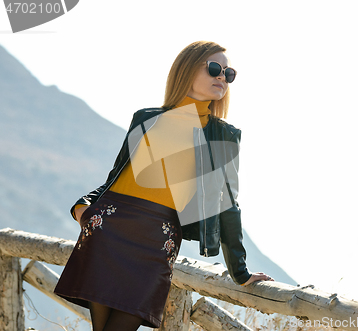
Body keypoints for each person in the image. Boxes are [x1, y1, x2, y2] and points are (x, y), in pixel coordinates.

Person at [54, 41, 274, 331]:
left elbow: (228, 203)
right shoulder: (145, 119)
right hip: (108, 229)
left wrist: (240, 272)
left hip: (158, 240)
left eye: (228, 73)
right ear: (186, 70)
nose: (222, 77)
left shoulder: (225, 136)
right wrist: (82, 207)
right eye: (214, 69)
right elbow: (115, 177)